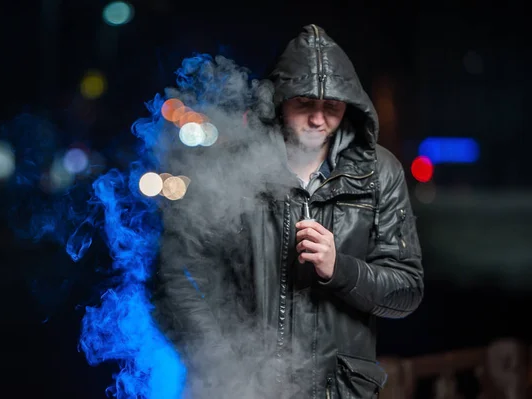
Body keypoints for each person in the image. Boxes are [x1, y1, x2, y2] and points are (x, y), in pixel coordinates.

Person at [154, 24, 424, 399]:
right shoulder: (233, 167)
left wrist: (339, 269)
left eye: (331, 106)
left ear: (349, 106)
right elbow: (176, 274)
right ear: (279, 101)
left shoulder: (380, 173)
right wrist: (221, 363)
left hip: (341, 392)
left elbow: (407, 289)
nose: (318, 119)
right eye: (304, 104)